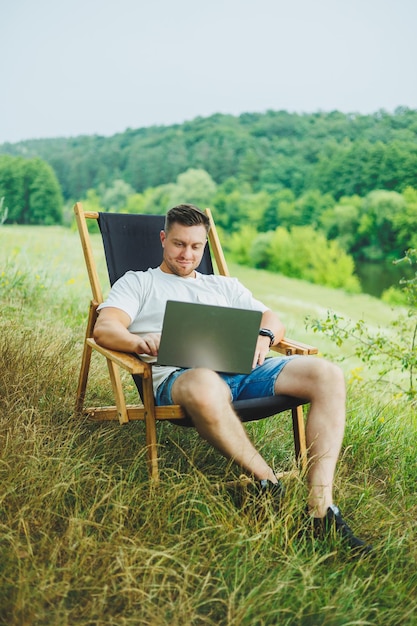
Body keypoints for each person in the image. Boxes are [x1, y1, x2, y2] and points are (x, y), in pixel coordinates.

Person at [94, 203, 372, 554]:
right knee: (205, 382)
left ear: (205, 245)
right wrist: (137, 341)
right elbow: (105, 328)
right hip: (184, 379)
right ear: (163, 239)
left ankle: (320, 510)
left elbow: (272, 317)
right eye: (179, 244)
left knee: (327, 374)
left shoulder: (224, 287)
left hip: (244, 372)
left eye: (196, 247)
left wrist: (265, 336)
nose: (187, 254)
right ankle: (267, 482)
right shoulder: (139, 282)